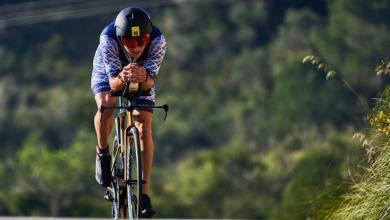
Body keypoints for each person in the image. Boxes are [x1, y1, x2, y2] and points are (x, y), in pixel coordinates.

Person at [90, 7, 166, 217]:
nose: (136, 47)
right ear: (120, 38)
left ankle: (144, 194)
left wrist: (142, 76)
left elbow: (150, 82)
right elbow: (113, 82)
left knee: (143, 123)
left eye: (142, 40)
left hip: (142, 73)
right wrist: (123, 77)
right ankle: (103, 152)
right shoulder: (108, 39)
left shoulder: (158, 42)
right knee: (107, 102)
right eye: (130, 42)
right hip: (111, 72)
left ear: (149, 36)